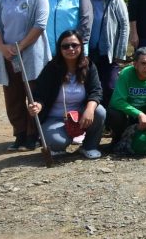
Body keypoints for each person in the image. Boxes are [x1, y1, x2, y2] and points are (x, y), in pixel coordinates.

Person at [0, 0, 52, 151]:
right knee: (13, 95)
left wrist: (21, 46)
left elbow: (40, 24)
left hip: (32, 53)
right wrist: (2, 47)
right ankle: (19, 135)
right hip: (8, 54)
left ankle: (32, 136)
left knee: (33, 95)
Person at [27, 30, 105, 159]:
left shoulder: (89, 66)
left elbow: (96, 91)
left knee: (99, 111)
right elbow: (39, 95)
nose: (70, 49)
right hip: (55, 118)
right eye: (65, 46)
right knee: (58, 143)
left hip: (80, 115)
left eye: (74, 45)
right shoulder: (51, 68)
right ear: (60, 49)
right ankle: (59, 142)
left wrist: (90, 109)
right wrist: (37, 106)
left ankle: (89, 146)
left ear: (81, 46)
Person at [76, 0, 129, 107]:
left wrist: (120, 53)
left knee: (110, 86)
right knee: (89, 84)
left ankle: (108, 118)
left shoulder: (116, 1)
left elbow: (124, 26)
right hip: (89, 51)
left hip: (109, 53)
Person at [107, 47, 146, 148]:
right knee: (114, 113)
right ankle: (118, 139)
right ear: (135, 64)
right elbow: (117, 101)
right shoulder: (126, 74)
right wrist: (139, 114)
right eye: (143, 63)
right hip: (129, 114)